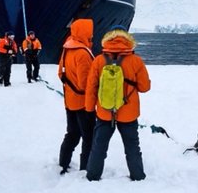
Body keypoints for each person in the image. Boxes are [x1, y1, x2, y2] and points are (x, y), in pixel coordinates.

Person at [85, 25, 151, 181]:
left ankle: (93, 176)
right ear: (127, 39)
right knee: (132, 147)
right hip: (128, 113)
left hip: (104, 112)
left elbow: (91, 87)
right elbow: (144, 87)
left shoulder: (99, 60)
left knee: (99, 146)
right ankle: (138, 176)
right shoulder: (136, 61)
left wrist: (89, 108)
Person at [57, 19, 96, 174]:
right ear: (84, 33)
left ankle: (63, 162)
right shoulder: (83, 53)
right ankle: (86, 167)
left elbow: (61, 73)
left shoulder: (67, 48)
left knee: (72, 133)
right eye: (90, 32)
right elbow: (85, 83)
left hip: (69, 101)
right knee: (89, 137)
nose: (92, 35)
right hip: (84, 104)